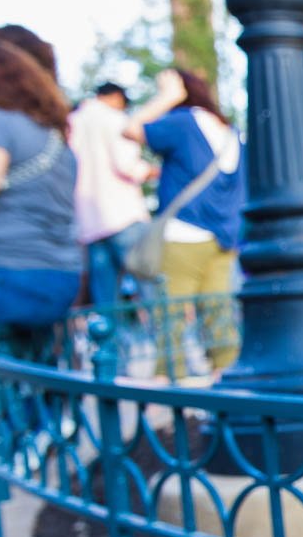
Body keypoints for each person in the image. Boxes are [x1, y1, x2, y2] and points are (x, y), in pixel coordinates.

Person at [0, 34, 81, 404]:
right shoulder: (55, 138)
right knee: (16, 369)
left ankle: (22, 429)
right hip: (56, 277)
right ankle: (36, 428)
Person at [123, 68, 244, 377]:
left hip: (184, 235)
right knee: (219, 319)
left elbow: (131, 128)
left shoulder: (183, 122)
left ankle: (170, 388)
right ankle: (229, 387)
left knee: (171, 319)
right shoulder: (229, 131)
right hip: (224, 237)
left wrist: (167, 96)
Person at [70, 81, 156, 307]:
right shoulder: (114, 119)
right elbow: (127, 165)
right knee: (150, 288)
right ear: (117, 97)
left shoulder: (72, 123)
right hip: (123, 216)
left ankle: (113, 344)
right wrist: (155, 171)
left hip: (88, 223)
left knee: (106, 301)